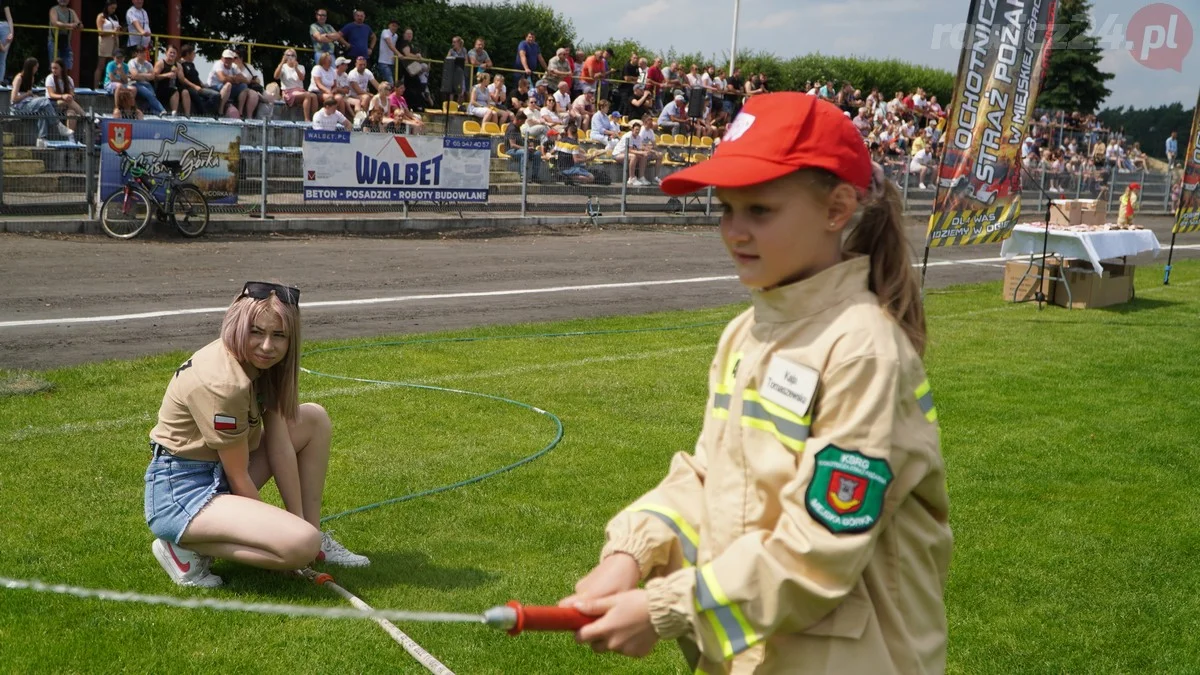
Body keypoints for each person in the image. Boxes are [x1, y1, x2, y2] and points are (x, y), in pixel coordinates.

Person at [560, 93, 950, 674]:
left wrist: (667, 607)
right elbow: (711, 479)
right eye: (726, 209)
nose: (734, 232)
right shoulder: (746, 334)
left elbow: (821, 548)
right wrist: (630, 552)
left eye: (760, 210)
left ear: (837, 208)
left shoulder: (863, 349)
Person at [145, 282, 367, 589]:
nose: (266, 346)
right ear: (238, 326)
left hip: (216, 473)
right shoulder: (226, 385)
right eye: (256, 332)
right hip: (184, 493)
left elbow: (280, 446)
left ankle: (315, 540)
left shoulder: (265, 365)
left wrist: (302, 526)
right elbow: (239, 478)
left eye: (279, 336)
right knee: (297, 546)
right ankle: (182, 546)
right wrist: (286, 544)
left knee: (313, 419)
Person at [11, 57, 69, 149]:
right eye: (36, 67)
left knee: (43, 110)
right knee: (45, 100)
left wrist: (33, 97)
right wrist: (27, 94)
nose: (37, 70)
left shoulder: (31, 78)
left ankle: (41, 139)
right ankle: (58, 125)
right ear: (31, 67)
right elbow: (13, 99)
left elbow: (29, 96)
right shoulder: (19, 78)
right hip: (19, 108)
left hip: (28, 103)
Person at [276, 48, 316, 122]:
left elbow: (301, 78)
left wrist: (296, 68)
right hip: (288, 92)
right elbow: (276, 76)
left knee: (314, 96)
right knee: (307, 95)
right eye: (288, 55)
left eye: (293, 55)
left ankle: (315, 118)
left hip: (300, 91)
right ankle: (307, 119)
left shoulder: (301, 67)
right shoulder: (283, 67)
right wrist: (281, 63)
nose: (290, 57)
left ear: (296, 57)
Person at [45, 58, 83, 135]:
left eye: (56, 68)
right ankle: (85, 115)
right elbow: (51, 94)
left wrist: (69, 96)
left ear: (61, 68)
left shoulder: (69, 79)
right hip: (52, 104)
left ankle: (70, 137)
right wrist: (63, 96)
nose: (53, 70)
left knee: (71, 114)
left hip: (66, 105)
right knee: (67, 101)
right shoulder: (50, 78)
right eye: (52, 68)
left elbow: (72, 93)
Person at [179, 43, 219, 116]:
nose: (195, 55)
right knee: (203, 95)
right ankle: (203, 113)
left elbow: (196, 76)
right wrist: (195, 86)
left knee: (216, 93)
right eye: (193, 53)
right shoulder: (181, 64)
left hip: (199, 86)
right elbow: (183, 78)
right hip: (190, 87)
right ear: (188, 54)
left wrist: (202, 84)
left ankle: (209, 112)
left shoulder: (192, 64)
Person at [152, 46, 190, 116]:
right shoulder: (161, 63)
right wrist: (166, 75)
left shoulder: (178, 65)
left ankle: (187, 115)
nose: (172, 54)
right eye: (171, 52)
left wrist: (178, 72)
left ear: (176, 55)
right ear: (166, 53)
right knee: (175, 91)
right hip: (162, 87)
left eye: (174, 53)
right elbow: (154, 77)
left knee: (185, 91)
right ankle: (174, 112)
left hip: (173, 85)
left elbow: (182, 80)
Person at [128, 46, 165, 115]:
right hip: (136, 83)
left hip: (146, 84)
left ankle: (156, 112)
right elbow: (135, 75)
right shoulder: (132, 62)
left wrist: (139, 75)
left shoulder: (148, 64)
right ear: (137, 53)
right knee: (149, 94)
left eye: (145, 52)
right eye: (141, 53)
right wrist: (146, 75)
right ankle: (162, 110)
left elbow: (152, 77)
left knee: (152, 95)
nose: (144, 54)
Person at [95, 1, 122, 89]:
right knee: (101, 65)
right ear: (107, 7)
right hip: (105, 42)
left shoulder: (115, 17)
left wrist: (119, 30)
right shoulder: (101, 16)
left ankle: (109, 84)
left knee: (112, 64)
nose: (113, 10)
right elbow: (100, 32)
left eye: (115, 8)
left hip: (114, 42)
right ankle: (95, 87)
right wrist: (112, 31)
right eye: (112, 8)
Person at [376, 18, 400, 85]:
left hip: (391, 62)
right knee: (391, 82)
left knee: (390, 83)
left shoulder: (396, 36)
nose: (394, 27)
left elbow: (393, 47)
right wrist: (399, 54)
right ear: (389, 25)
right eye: (393, 25)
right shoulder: (385, 32)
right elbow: (390, 44)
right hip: (383, 62)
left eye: (396, 26)